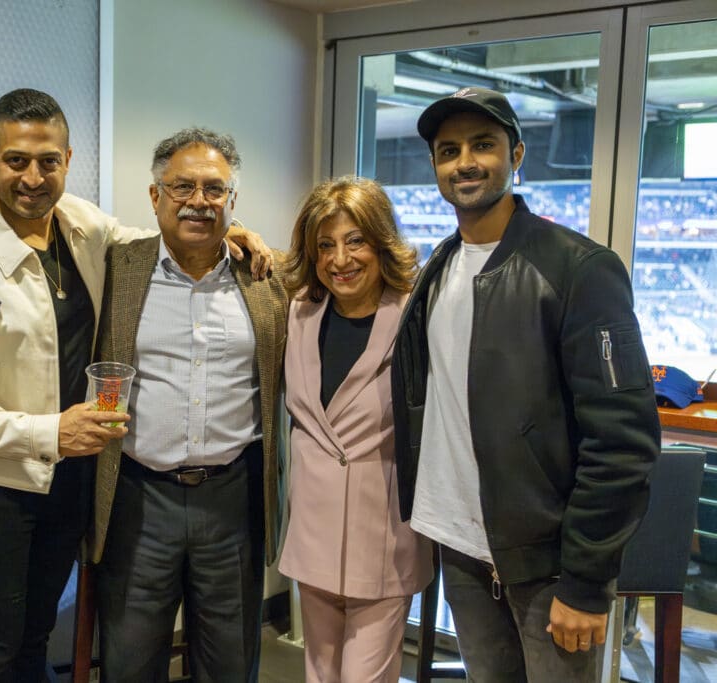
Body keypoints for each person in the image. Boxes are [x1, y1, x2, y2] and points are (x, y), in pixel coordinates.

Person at [0, 91, 272, 682]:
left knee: (33, 641)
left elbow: (169, 232)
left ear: (68, 159)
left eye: (48, 161)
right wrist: (53, 431)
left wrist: (232, 228)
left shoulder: (81, 226)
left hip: (70, 484)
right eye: (16, 161)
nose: (33, 177)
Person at [391, 87, 660, 682]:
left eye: (482, 145)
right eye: (448, 150)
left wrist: (587, 579)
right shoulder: (439, 266)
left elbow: (623, 439)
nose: (464, 161)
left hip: (546, 562)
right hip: (458, 543)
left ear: (516, 155)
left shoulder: (579, 269)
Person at [90, 127, 288, 682]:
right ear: (155, 197)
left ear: (233, 201)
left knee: (229, 665)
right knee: (129, 662)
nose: (198, 200)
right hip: (137, 498)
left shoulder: (270, 277)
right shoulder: (117, 267)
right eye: (182, 187)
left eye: (214, 189)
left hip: (233, 500)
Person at [279, 176, 433, 682]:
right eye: (325, 245)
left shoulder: (416, 315)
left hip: (382, 537)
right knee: (319, 676)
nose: (339, 259)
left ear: (381, 241)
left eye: (355, 241)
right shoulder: (298, 311)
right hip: (312, 530)